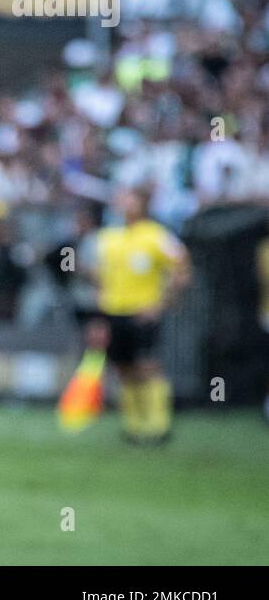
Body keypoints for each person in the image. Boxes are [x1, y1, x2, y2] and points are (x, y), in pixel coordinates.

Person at [85, 187, 191, 444]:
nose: (122, 203)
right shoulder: (109, 237)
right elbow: (97, 274)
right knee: (123, 367)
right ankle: (133, 426)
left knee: (147, 366)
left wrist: (162, 303)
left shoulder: (155, 235)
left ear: (142, 203)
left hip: (142, 312)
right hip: (113, 311)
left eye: (129, 198)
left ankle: (158, 425)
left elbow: (182, 268)